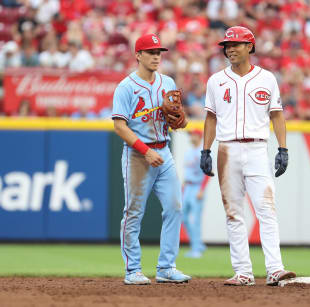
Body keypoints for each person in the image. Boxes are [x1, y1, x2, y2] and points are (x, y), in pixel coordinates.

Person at [200, 26, 296, 286]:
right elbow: (210, 118)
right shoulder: (216, 80)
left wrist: (283, 148)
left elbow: (277, 115)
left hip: (256, 148)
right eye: (227, 45)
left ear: (250, 47)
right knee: (233, 213)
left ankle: (275, 268)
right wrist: (206, 149)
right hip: (227, 149)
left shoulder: (267, 78)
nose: (230, 49)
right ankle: (243, 272)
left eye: (236, 44)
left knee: (266, 209)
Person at [112, 34, 191, 285]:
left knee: (174, 207)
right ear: (138, 55)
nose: (157, 56)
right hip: (138, 154)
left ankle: (166, 267)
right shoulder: (126, 87)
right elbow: (119, 126)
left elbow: (177, 116)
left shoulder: (167, 82)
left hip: (164, 151)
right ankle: (132, 270)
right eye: (151, 52)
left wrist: (181, 120)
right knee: (133, 213)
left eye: (159, 52)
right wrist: (145, 150)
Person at [182, 129, 209, 258]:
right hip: (187, 187)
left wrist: (202, 189)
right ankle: (198, 244)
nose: (191, 137)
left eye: (193, 134)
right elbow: (187, 173)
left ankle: (196, 249)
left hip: (197, 187)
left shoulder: (202, 153)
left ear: (198, 137)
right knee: (183, 217)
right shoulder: (188, 152)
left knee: (196, 219)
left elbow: (207, 173)